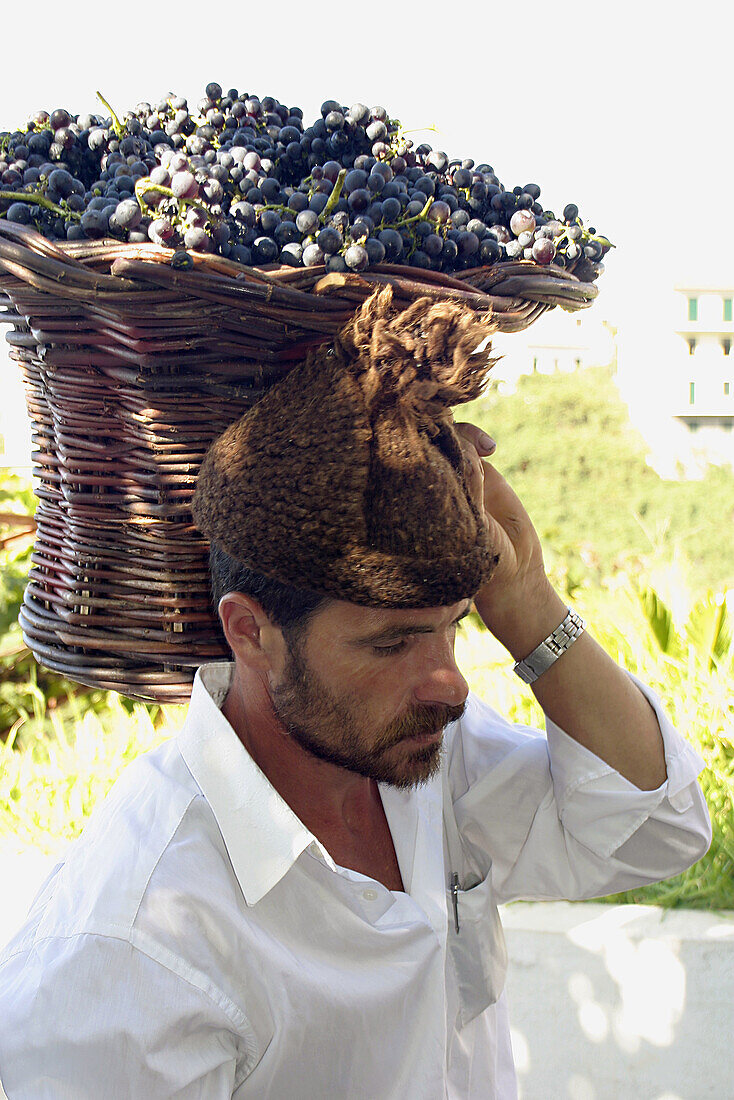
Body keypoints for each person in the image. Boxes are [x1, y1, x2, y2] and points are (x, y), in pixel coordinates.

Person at [0, 288, 711, 1099]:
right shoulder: (132, 947)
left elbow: (658, 830)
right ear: (252, 631)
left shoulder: (423, 754)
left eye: (452, 627)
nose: (448, 681)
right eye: (391, 642)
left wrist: (528, 606)